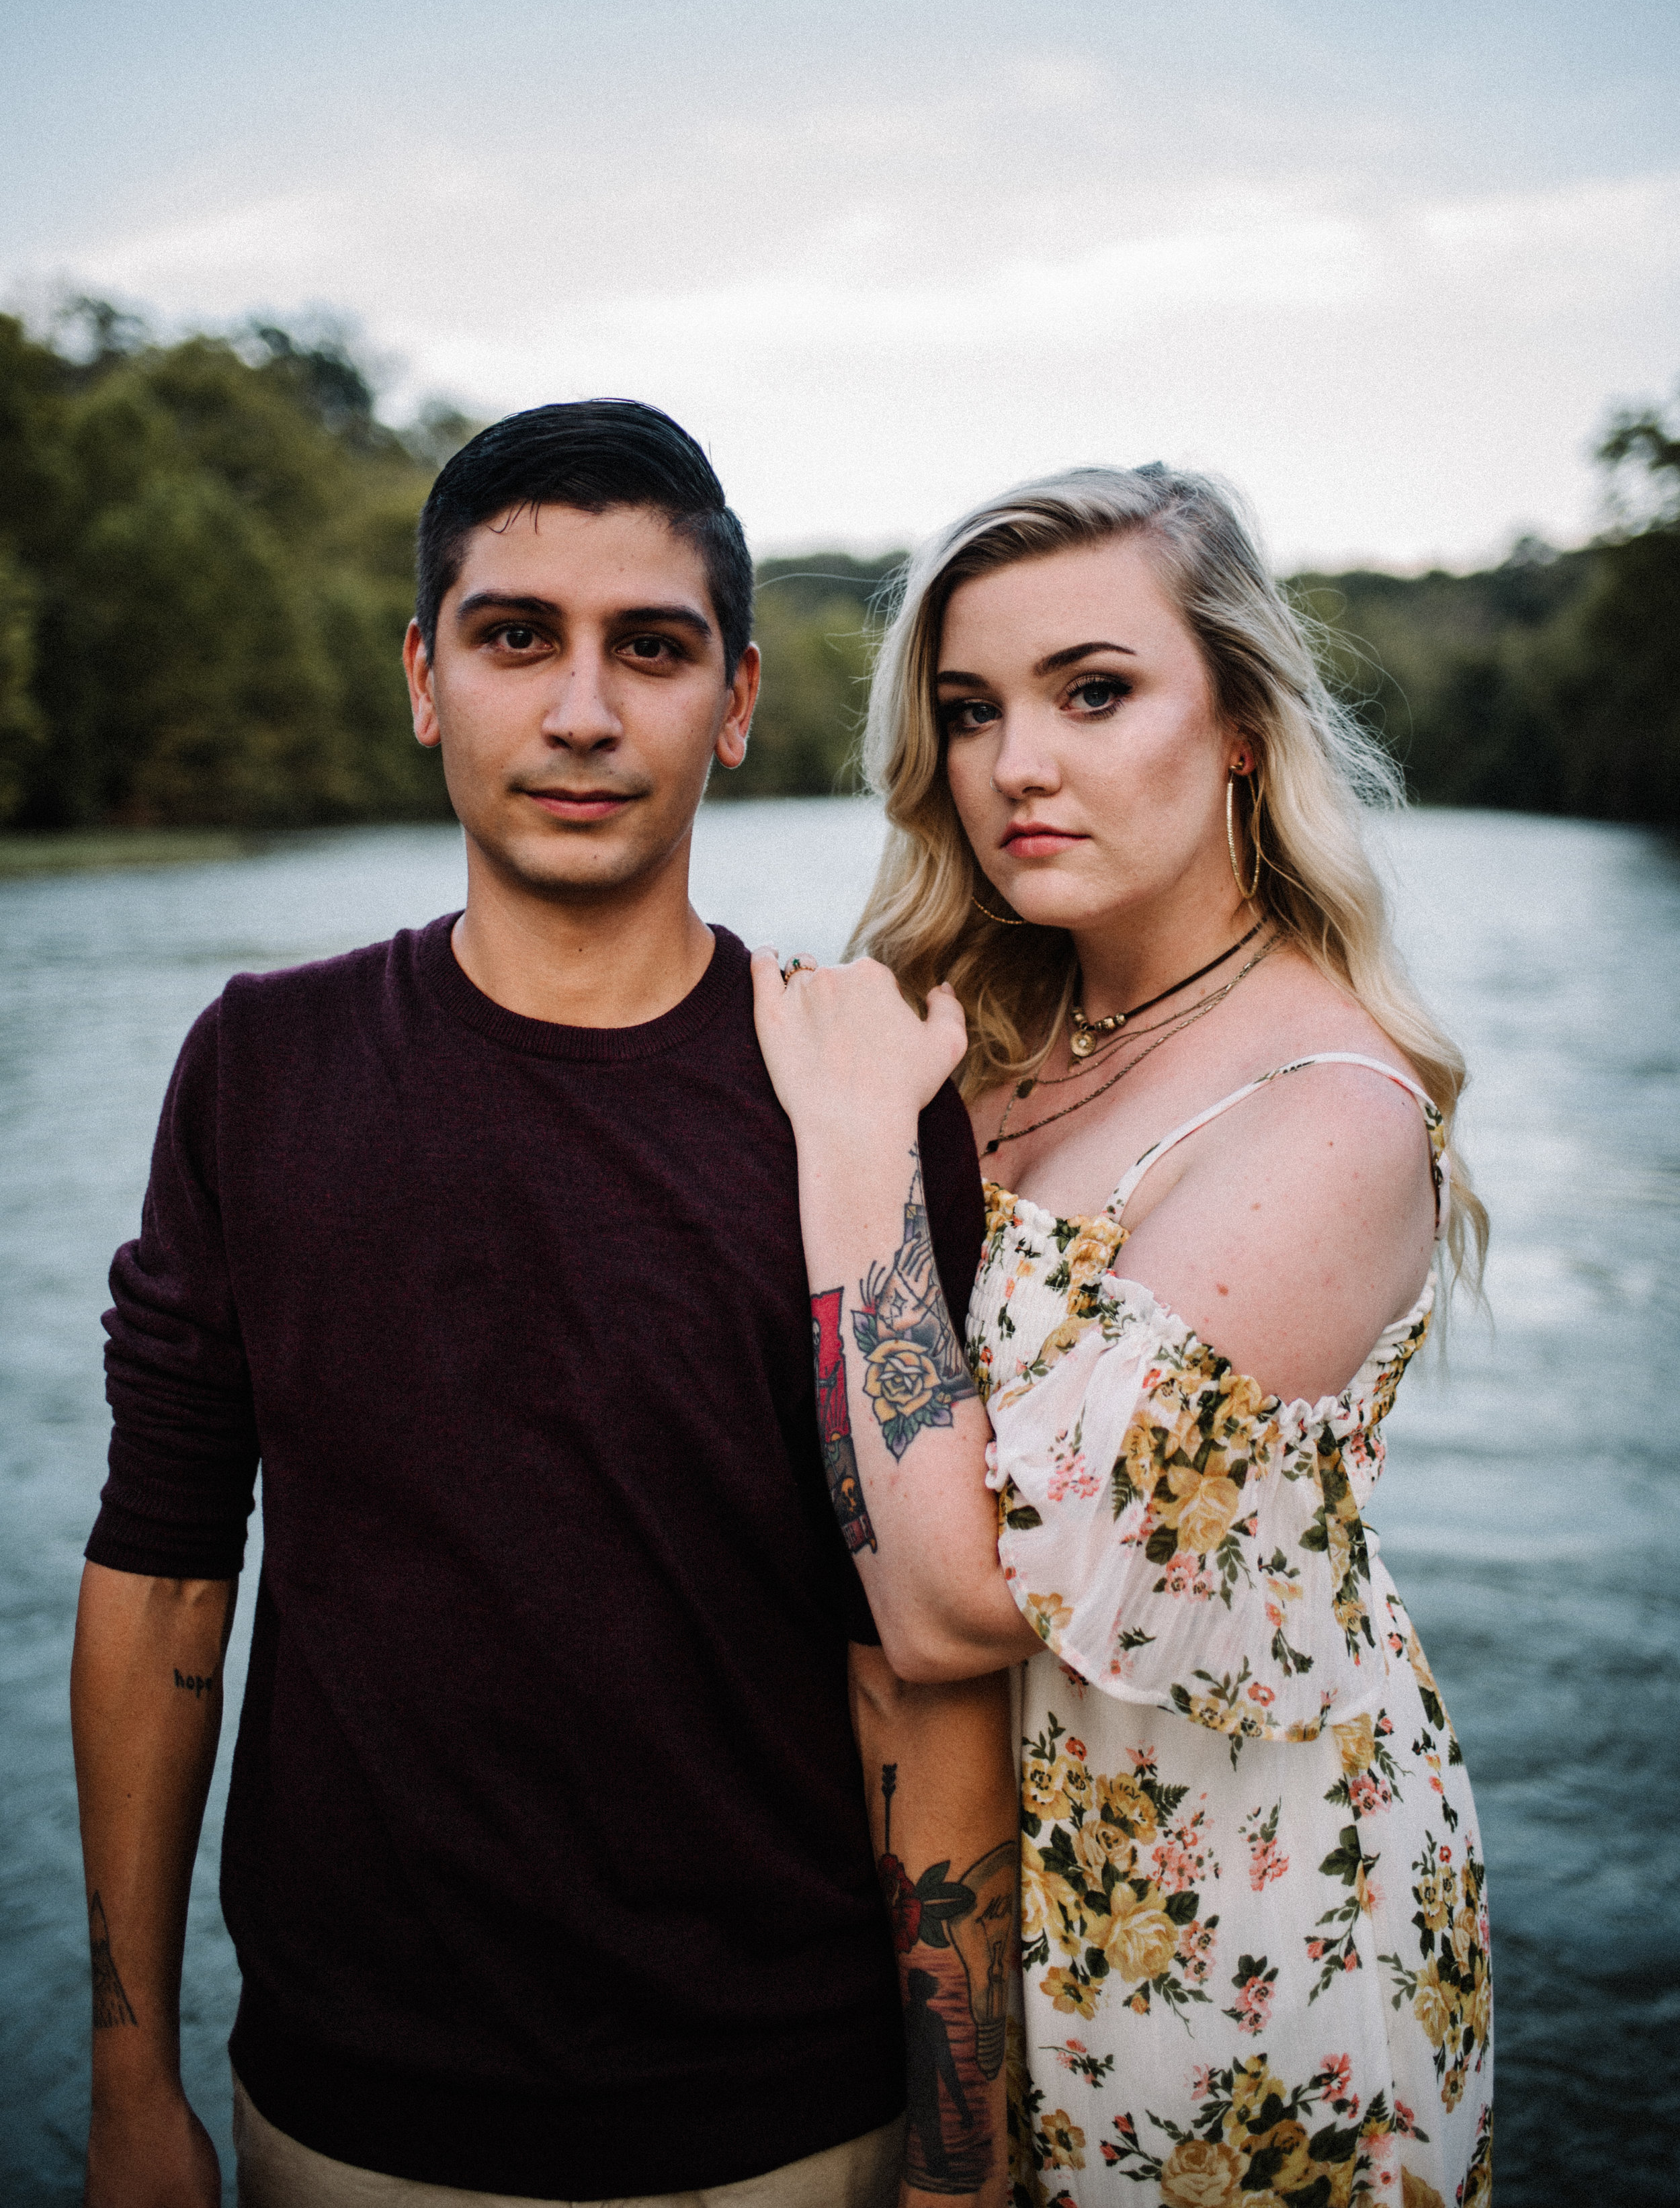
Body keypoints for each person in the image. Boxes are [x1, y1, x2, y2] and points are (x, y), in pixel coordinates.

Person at [71, 398, 1017, 2208]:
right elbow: (165, 1573)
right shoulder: (264, 1064)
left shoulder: (854, 1094)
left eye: (649, 649)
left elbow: (910, 1663)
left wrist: (961, 2157)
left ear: (735, 700)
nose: (582, 711)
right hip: (348, 2120)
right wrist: (132, 2076)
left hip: (787, 2125)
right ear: (426, 675)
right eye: (517, 637)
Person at [752, 466, 1495, 2208]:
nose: (1017, 760)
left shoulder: (1324, 1116)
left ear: (1235, 723)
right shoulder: (995, 1026)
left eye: (1093, 690)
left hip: (1231, 1944)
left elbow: (954, 1605)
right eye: (968, 708)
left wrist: (850, 1144)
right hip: (963, 1910)